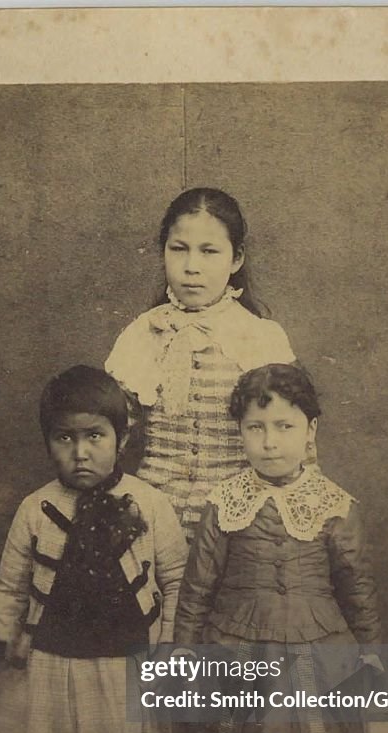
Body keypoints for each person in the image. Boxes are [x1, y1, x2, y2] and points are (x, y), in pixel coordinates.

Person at [174, 363, 382, 733]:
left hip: (317, 644)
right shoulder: (224, 503)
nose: (269, 442)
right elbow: (198, 585)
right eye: (255, 428)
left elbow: (356, 586)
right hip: (237, 642)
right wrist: (182, 647)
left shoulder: (334, 505)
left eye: (284, 427)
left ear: (311, 430)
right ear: (240, 433)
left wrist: (372, 651)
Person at [0, 365, 188, 733]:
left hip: (124, 657)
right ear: (48, 443)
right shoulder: (36, 508)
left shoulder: (150, 504)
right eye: (64, 438)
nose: (80, 452)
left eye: (95, 436)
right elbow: (11, 584)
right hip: (55, 654)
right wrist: (2, 640)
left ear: (121, 439)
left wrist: (168, 646)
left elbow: (177, 579)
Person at [105, 187, 296, 541]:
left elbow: (293, 444)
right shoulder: (143, 335)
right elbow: (110, 435)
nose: (192, 267)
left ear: (236, 259)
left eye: (209, 252)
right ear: (163, 252)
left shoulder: (259, 339)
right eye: (179, 249)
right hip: (152, 523)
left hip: (238, 526)